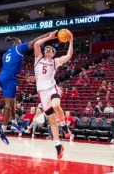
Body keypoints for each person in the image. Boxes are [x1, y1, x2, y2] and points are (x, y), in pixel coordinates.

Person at [0, 32, 53, 144]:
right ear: (16, 43)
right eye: (20, 41)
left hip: (3, 76)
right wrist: (47, 36)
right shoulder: (18, 47)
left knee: (12, 102)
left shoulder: (6, 54)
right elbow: (34, 42)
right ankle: (2, 130)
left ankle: (14, 124)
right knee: (8, 104)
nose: (22, 43)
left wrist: (25, 79)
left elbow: (11, 72)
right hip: (9, 78)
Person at [34, 30, 73, 159]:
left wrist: (71, 41)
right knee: (51, 120)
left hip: (52, 87)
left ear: (54, 53)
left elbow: (68, 56)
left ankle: (64, 126)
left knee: (56, 105)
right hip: (42, 92)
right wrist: (48, 37)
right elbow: (36, 45)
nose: (49, 52)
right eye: (47, 50)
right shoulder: (38, 59)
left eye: (51, 51)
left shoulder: (55, 62)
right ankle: (58, 145)